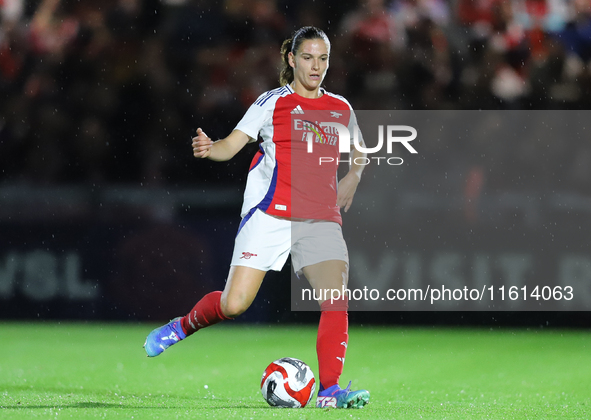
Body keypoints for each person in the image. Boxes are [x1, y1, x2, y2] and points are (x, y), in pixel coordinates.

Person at [143, 26, 370, 409]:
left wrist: (353, 176)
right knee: (234, 305)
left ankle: (330, 391)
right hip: (271, 215)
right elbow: (232, 146)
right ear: (291, 59)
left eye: (324, 58)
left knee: (335, 298)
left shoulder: (340, 108)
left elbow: (361, 151)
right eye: (309, 57)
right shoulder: (272, 103)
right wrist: (209, 147)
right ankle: (182, 326)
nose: (317, 66)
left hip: (320, 219)